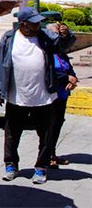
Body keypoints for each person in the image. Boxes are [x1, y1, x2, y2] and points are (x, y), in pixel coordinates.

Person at [0, 7, 75, 184]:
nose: (38, 25)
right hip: (17, 97)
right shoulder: (8, 38)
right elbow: (0, 64)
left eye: (38, 22)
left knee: (45, 135)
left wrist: (66, 35)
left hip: (43, 96)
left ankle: (41, 168)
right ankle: (11, 165)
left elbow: (63, 46)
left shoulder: (45, 36)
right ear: (23, 24)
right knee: (12, 134)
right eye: (34, 22)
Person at [46, 23, 79, 169]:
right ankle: (46, 156)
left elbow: (69, 68)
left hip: (63, 94)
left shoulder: (61, 52)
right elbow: (48, 72)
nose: (58, 36)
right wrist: (66, 78)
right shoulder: (46, 51)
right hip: (51, 93)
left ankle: (52, 153)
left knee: (58, 123)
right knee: (50, 125)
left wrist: (73, 78)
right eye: (55, 33)